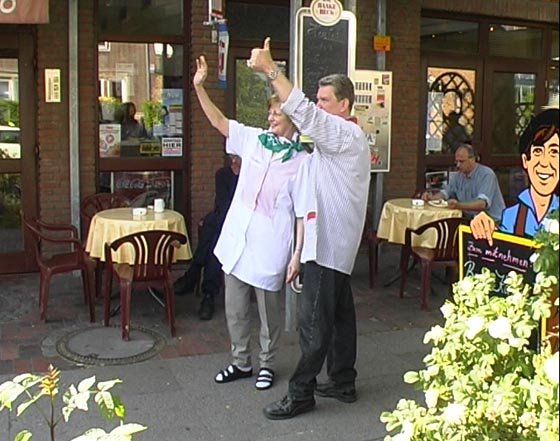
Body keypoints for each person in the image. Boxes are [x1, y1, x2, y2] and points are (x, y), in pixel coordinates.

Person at [246, 38, 370, 420]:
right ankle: (343, 380)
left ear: (344, 105)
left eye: (325, 100)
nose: (318, 106)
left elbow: (303, 113)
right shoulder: (340, 141)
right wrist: (299, 250)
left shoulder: (344, 134)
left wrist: (271, 70)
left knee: (312, 324)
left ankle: (300, 393)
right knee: (340, 317)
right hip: (334, 244)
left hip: (328, 244)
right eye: (318, 99)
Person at [193, 54, 307, 391]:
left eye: (277, 113)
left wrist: (297, 254)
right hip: (238, 241)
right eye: (270, 112)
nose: (270, 117)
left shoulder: (302, 160)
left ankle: (267, 364)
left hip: (270, 246)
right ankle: (241, 361)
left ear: (292, 120)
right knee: (235, 308)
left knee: (269, 313)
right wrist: (199, 88)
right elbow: (219, 121)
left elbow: (302, 212)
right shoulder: (255, 140)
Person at [471, 108, 559, 244]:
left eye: (554, 152)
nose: (544, 162)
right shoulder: (512, 215)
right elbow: (503, 251)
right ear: (525, 160)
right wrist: (485, 228)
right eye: (537, 151)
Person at [173, 154, 241, 321]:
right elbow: (222, 204)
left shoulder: (251, 177)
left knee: (213, 227)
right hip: (223, 219)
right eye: (232, 156)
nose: (233, 161)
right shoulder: (222, 174)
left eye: (237, 157)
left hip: (240, 223)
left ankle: (194, 273)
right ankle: (208, 293)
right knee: (215, 235)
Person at [422, 143, 506, 221]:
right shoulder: (458, 176)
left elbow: (482, 204)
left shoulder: (486, 174)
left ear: (472, 159)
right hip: (469, 220)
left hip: (492, 221)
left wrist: (458, 205)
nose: (458, 165)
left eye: (461, 161)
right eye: (456, 161)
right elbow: (446, 192)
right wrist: (432, 198)